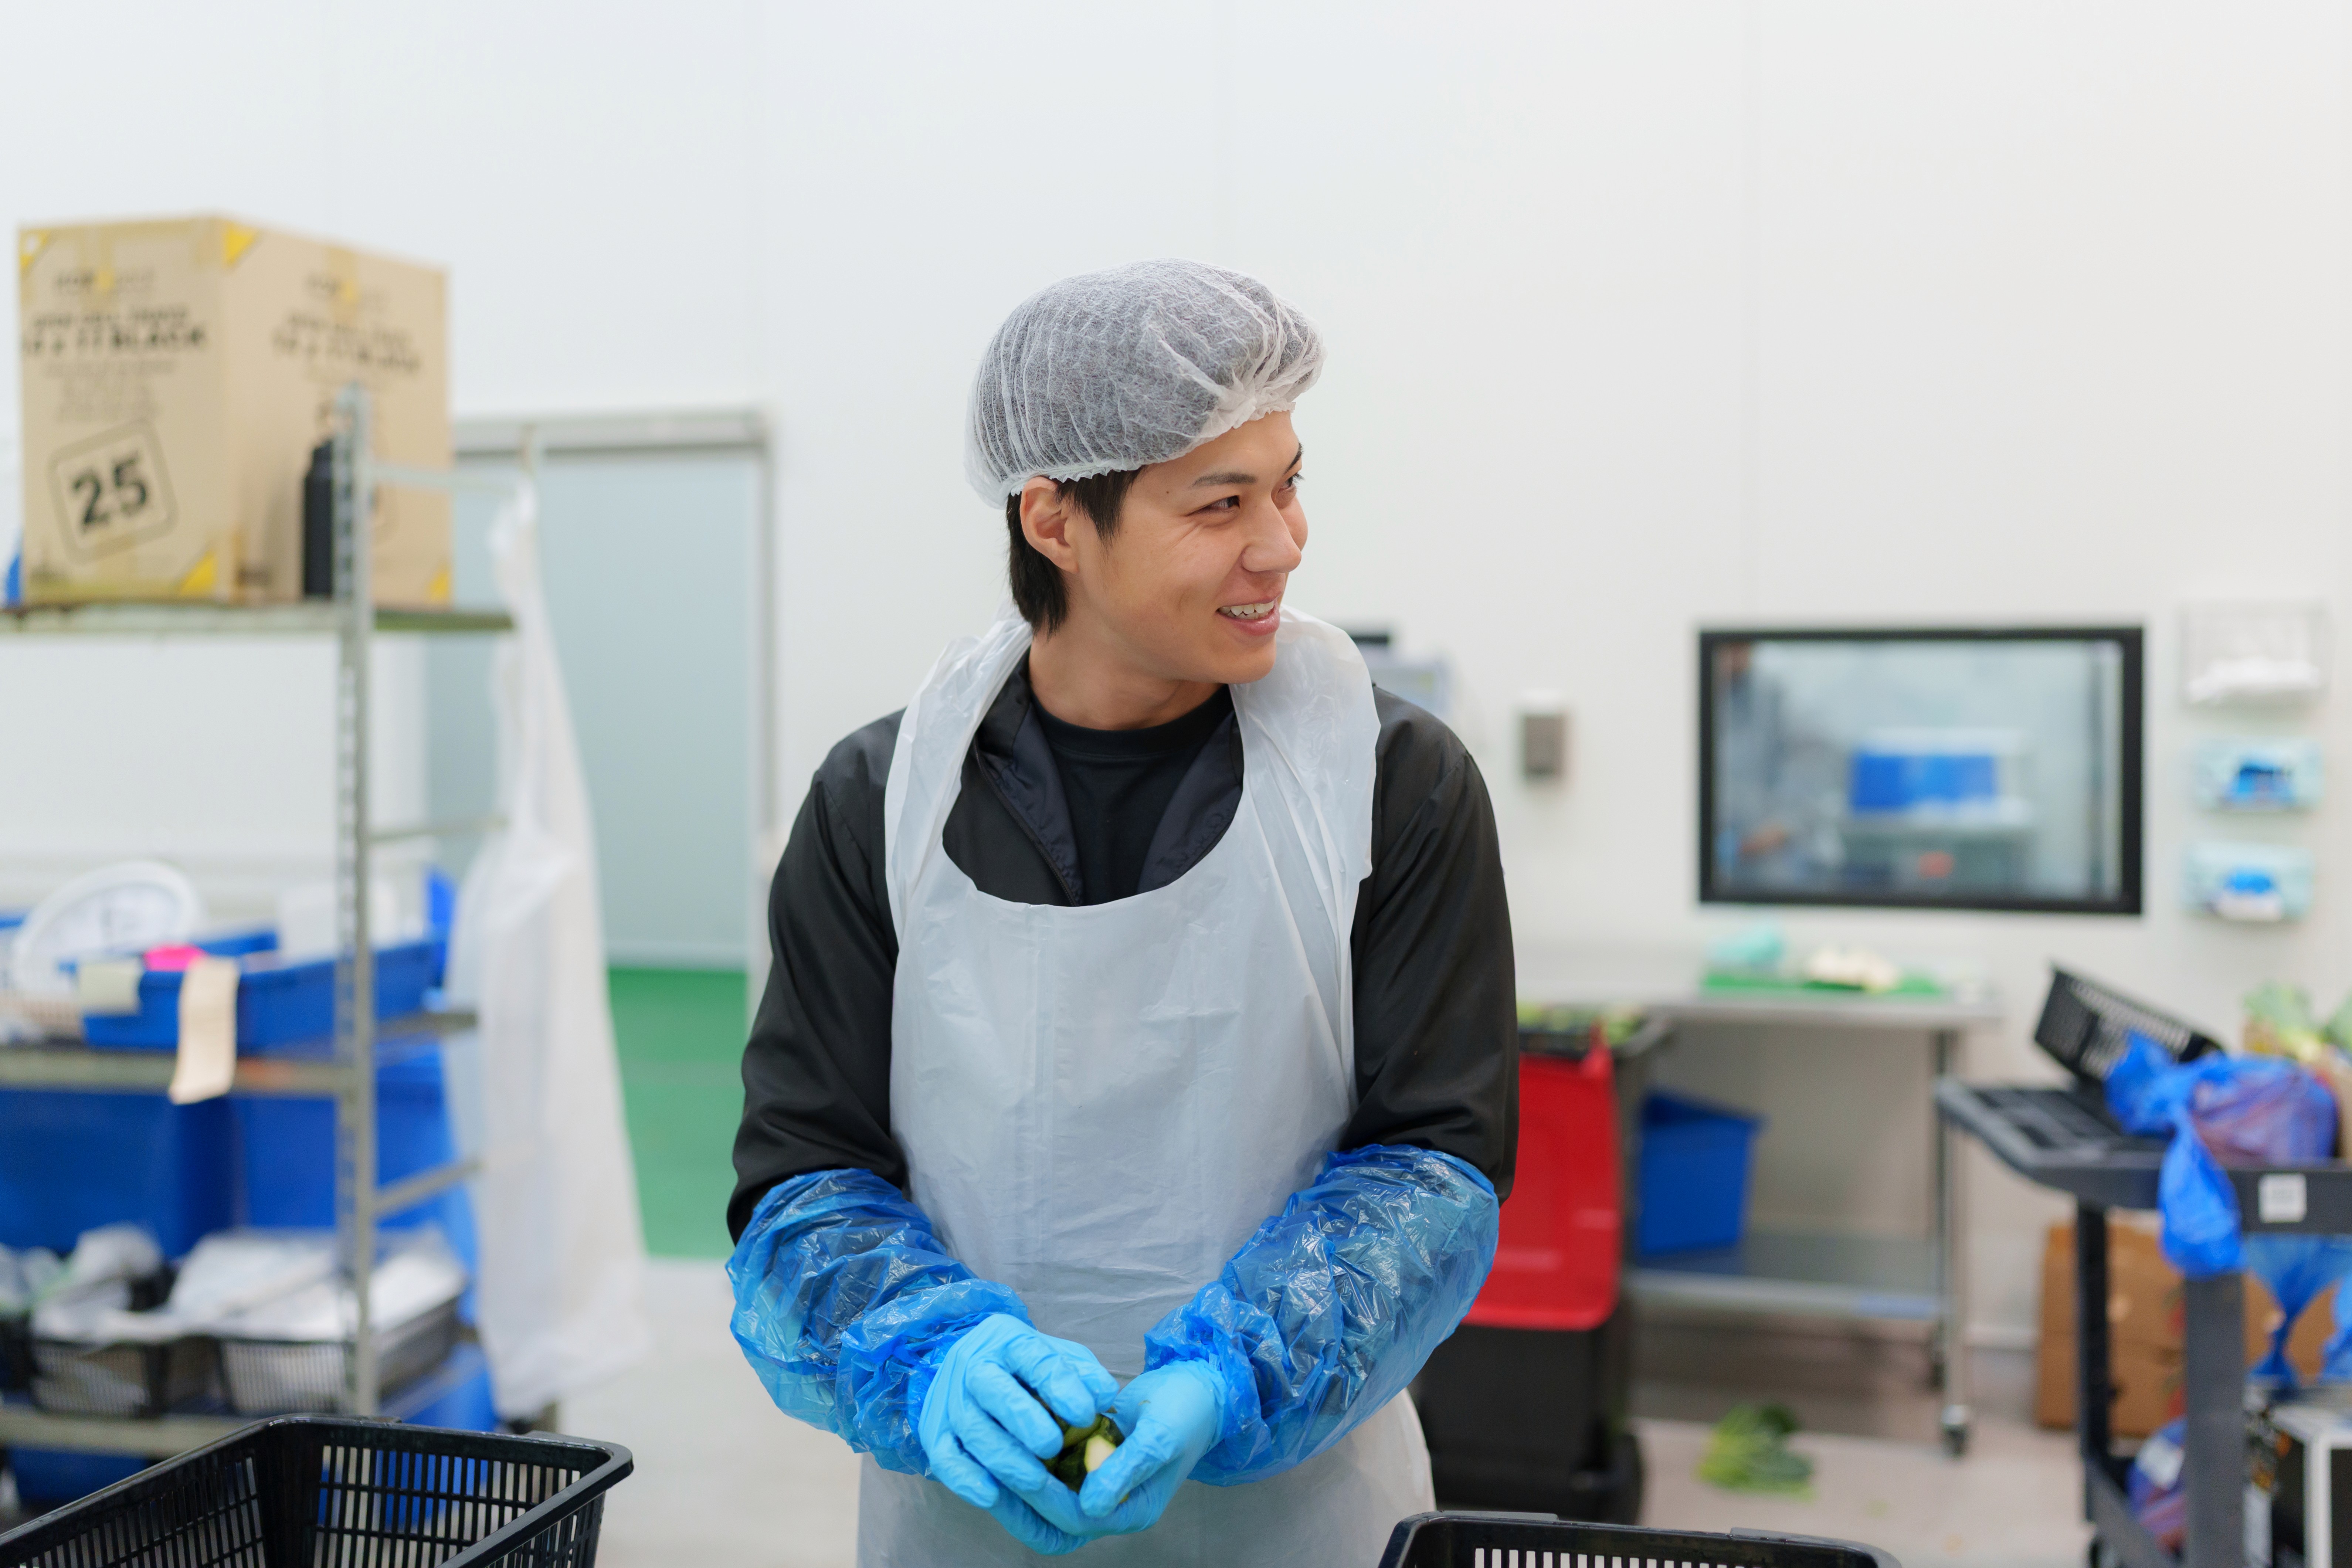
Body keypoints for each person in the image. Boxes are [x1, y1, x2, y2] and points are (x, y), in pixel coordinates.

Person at [727, 259, 1517, 1565]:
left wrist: (1236, 1373)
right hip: (971, 1516)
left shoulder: (1388, 781)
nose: (1282, 541)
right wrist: (930, 1355)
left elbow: (1435, 1160)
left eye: (1288, 483)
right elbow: (804, 1170)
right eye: (1221, 502)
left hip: (1300, 1521)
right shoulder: (881, 798)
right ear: (1054, 520)